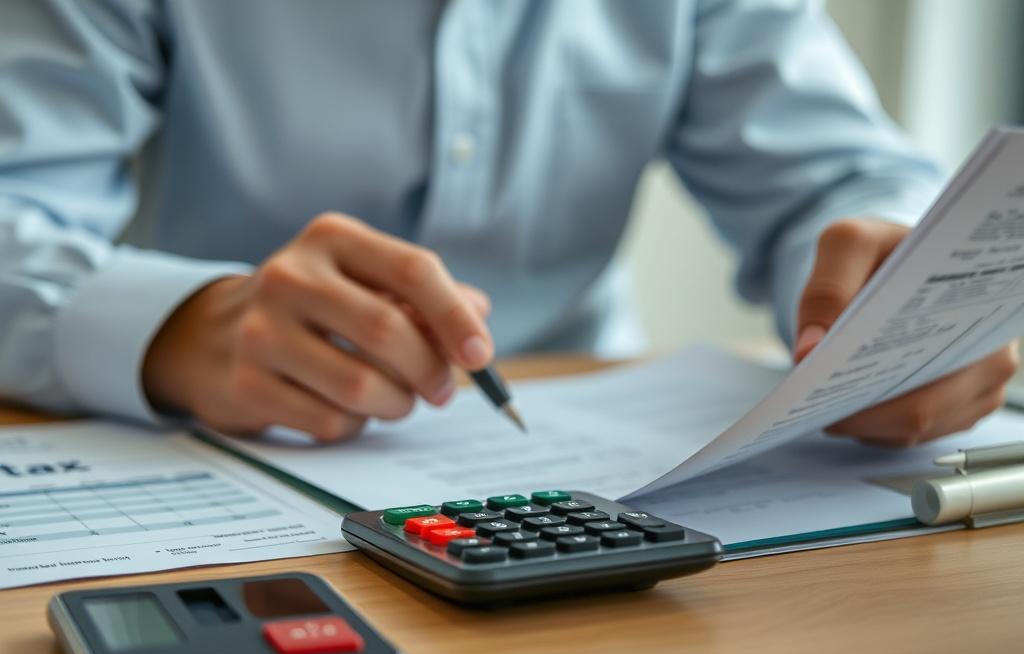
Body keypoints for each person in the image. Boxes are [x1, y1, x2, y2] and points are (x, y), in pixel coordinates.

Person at [0, 0, 1016, 447]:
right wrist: (180, 325)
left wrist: (900, 301)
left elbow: (836, 177)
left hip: (605, 465)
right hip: (216, 449)